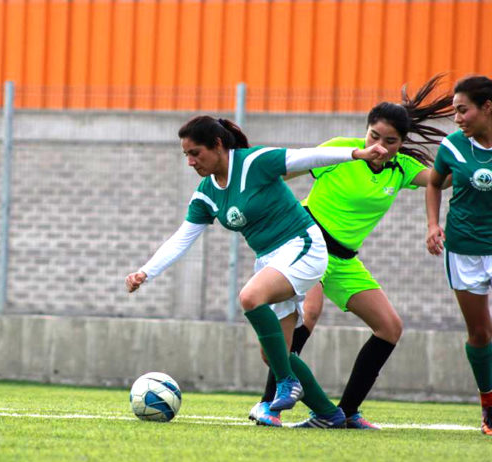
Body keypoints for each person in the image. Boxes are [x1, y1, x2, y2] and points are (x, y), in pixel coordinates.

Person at [125, 115, 388, 428]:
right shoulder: (207, 192)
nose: (191, 161)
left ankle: (287, 383)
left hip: (303, 245)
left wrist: (356, 153)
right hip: (270, 260)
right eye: (186, 155)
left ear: (218, 145)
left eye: (196, 153)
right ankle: (328, 415)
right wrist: (145, 272)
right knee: (274, 353)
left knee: (250, 296)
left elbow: (307, 156)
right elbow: (183, 237)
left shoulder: (254, 162)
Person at [251, 74, 454, 429]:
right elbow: (282, 174)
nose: (379, 145)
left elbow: (441, 180)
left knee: (390, 327)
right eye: (373, 136)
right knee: (308, 313)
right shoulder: (341, 150)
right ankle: (270, 405)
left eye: (390, 141)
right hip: (307, 244)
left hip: (344, 259)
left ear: (401, 143)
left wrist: (468, 154)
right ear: (366, 131)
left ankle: (345, 413)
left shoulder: (402, 169)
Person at [426, 75, 492, 436]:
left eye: (462, 110)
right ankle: (488, 405)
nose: (457, 118)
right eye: (454, 111)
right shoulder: (452, 146)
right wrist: (433, 225)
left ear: (487, 108)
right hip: (464, 249)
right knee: (480, 333)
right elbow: (435, 182)